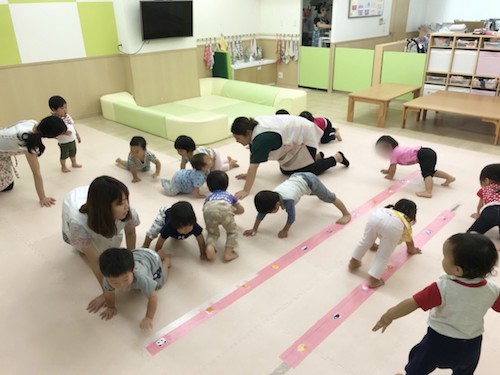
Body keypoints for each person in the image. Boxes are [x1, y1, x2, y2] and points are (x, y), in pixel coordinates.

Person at [373, 233, 500, 375]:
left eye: (445, 257)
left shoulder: (443, 288)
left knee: (418, 367)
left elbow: (413, 303)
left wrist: (390, 315)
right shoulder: (493, 290)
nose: (443, 259)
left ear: (457, 270)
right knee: (464, 372)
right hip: (471, 346)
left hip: (437, 343)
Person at [62, 176, 140, 312]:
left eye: (126, 199)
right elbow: (96, 262)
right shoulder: (79, 224)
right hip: (75, 205)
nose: (126, 205)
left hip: (96, 205)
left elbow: (131, 234)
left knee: (109, 245)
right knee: (91, 250)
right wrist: (107, 292)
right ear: (104, 208)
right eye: (121, 203)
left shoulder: (127, 211)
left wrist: (130, 264)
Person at [231, 115, 349, 199]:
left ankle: (336, 158)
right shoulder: (253, 127)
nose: (237, 141)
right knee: (286, 170)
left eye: (238, 138)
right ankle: (315, 157)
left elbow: (254, 165)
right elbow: (254, 156)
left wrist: (246, 190)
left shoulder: (261, 139)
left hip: (306, 135)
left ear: (247, 133)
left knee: (306, 173)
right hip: (298, 133)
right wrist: (248, 175)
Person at [244, 172, 351, 239]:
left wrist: (285, 230)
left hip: (311, 181)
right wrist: (254, 229)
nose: (269, 213)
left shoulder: (288, 201)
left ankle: (346, 214)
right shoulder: (271, 196)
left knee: (328, 197)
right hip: (297, 177)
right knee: (315, 193)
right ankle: (317, 193)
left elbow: (291, 217)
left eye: (270, 212)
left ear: (277, 205)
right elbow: (261, 213)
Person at [349, 199, 421, 288]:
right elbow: (409, 241)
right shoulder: (404, 221)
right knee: (383, 255)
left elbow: (378, 228)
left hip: (376, 216)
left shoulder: (387, 209)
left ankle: (353, 262)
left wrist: (372, 244)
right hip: (393, 226)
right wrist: (412, 250)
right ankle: (374, 280)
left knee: (365, 241)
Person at [0, 116, 66, 206]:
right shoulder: (28, 142)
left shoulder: (32, 123)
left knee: (8, 185)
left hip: (3, 151)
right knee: (6, 186)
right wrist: (42, 197)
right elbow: (36, 173)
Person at [99, 247, 170, 330]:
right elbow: (108, 294)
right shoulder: (107, 279)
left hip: (153, 258)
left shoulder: (141, 277)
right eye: (115, 282)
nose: (121, 285)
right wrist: (111, 307)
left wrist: (149, 317)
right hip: (137, 252)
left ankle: (166, 261)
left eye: (125, 279)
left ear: (133, 270)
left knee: (159, 284)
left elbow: (153, 298)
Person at [376, 135, 455, 198]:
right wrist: (388, 171)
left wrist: (390, 176)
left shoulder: (394, 153)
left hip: (423, 155)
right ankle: (449, 178)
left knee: (427, 174)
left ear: (388, 147)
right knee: (431, 171)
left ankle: (428, 192)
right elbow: (392, 165)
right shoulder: (396, 150)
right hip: (427, 152)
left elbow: (393, 168)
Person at [142, 201, 208, 260]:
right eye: (183, 228)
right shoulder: (168, 228)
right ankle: (145, 245)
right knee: (153, 230)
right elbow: (160, 242)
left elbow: (200, 240)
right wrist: (158, 254)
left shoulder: (194, 226)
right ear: (175, 226)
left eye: (190, 226)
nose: (187, 230)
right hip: (164, 214)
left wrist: (203, 253)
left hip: (176, 215)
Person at [203, 170, 244, 262]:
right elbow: (241, 210)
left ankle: (210, 247)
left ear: (209, 187)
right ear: (226, 185)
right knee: (232, 232)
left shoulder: (209, 197)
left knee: (212, 233)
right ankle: (228, 253)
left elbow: (205, 208)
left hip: (208, 210)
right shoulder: (229, 195)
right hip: (225, 210)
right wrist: (234, 212)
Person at [49, 95, 82, 173]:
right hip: (63, 142)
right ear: (54, 109)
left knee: (73, 152)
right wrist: (64, 133)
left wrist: (77, 135)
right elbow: (54, 132)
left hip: (72, 139)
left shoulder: (67, 116)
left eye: (65, 107)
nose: (65, 110)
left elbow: (72, 126)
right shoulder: (54, 120)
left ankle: (74, 163)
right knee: (64, 155)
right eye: (62, 108)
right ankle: (63, 167)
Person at [174, 135, 238, 171]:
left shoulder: (198, 154)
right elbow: (183, 165)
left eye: (181, 151)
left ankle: (231, 164)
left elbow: (208, 162)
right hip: (208, 156)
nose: (179, 153)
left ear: (189, 150)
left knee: (217, 170)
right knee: (213, 165)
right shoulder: (185, 155)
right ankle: (226, 160)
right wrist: (182, 174)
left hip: (214, 155)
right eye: (178, 150)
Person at [468, 163, 500, 235]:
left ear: (486, 180)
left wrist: (479, 215)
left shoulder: (484, 189)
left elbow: (480, 205)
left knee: (473, 233)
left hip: (491, 211)